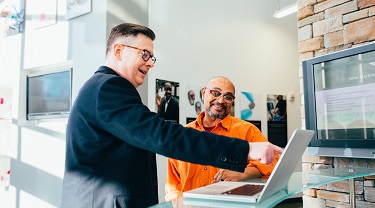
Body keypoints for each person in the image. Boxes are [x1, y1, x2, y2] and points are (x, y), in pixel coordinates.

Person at [61, 23, 283, 208]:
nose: (149, 62)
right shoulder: (108, 88)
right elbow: (161, 136)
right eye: (144, 54)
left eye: (152, 57)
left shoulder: (104, 88)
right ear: (118, 51)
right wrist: (246, 149)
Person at [165, 77, 280, 201]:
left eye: (228, 97)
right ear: (204, 93)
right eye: (216, 93)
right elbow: (173, 185)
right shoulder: (184, 135)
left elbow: (273, 161)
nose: (221, 100)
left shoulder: (247, 130)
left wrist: (243, 173)